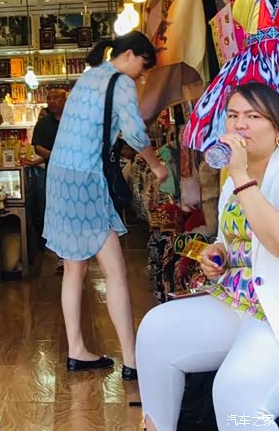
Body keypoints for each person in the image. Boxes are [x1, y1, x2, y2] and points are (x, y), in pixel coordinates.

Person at [137, 82, 279, 430]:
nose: (240, 125)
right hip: (237, 301)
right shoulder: (235, 175)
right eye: (233, 115)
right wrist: (217, 254)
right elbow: (231, 242)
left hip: (272, 313)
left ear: (277, 129)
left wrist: (241, 176)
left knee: (234, 394)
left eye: (253, 116)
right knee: (156, 332)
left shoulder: (243, 174)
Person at [44, 31, 169, 378]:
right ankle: (132, 359)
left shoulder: (88, 77)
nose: (142, 75)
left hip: (60, 177)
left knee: (74, 269)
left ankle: (77, 350)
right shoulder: (121, 82)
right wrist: (157, 166)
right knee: (115, 270)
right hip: (85, 180)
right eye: (143, 66)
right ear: (129, 55)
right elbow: (135, 133)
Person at [31, 87, 67, 269]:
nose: (51, 101)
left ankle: (78, 251)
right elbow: (37, 147)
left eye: (55, 98)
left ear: (64, 99)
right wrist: (55, 156)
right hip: (54, 174)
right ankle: (62, 255)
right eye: (49, 98)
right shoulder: (43, 123)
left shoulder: (74, 119)